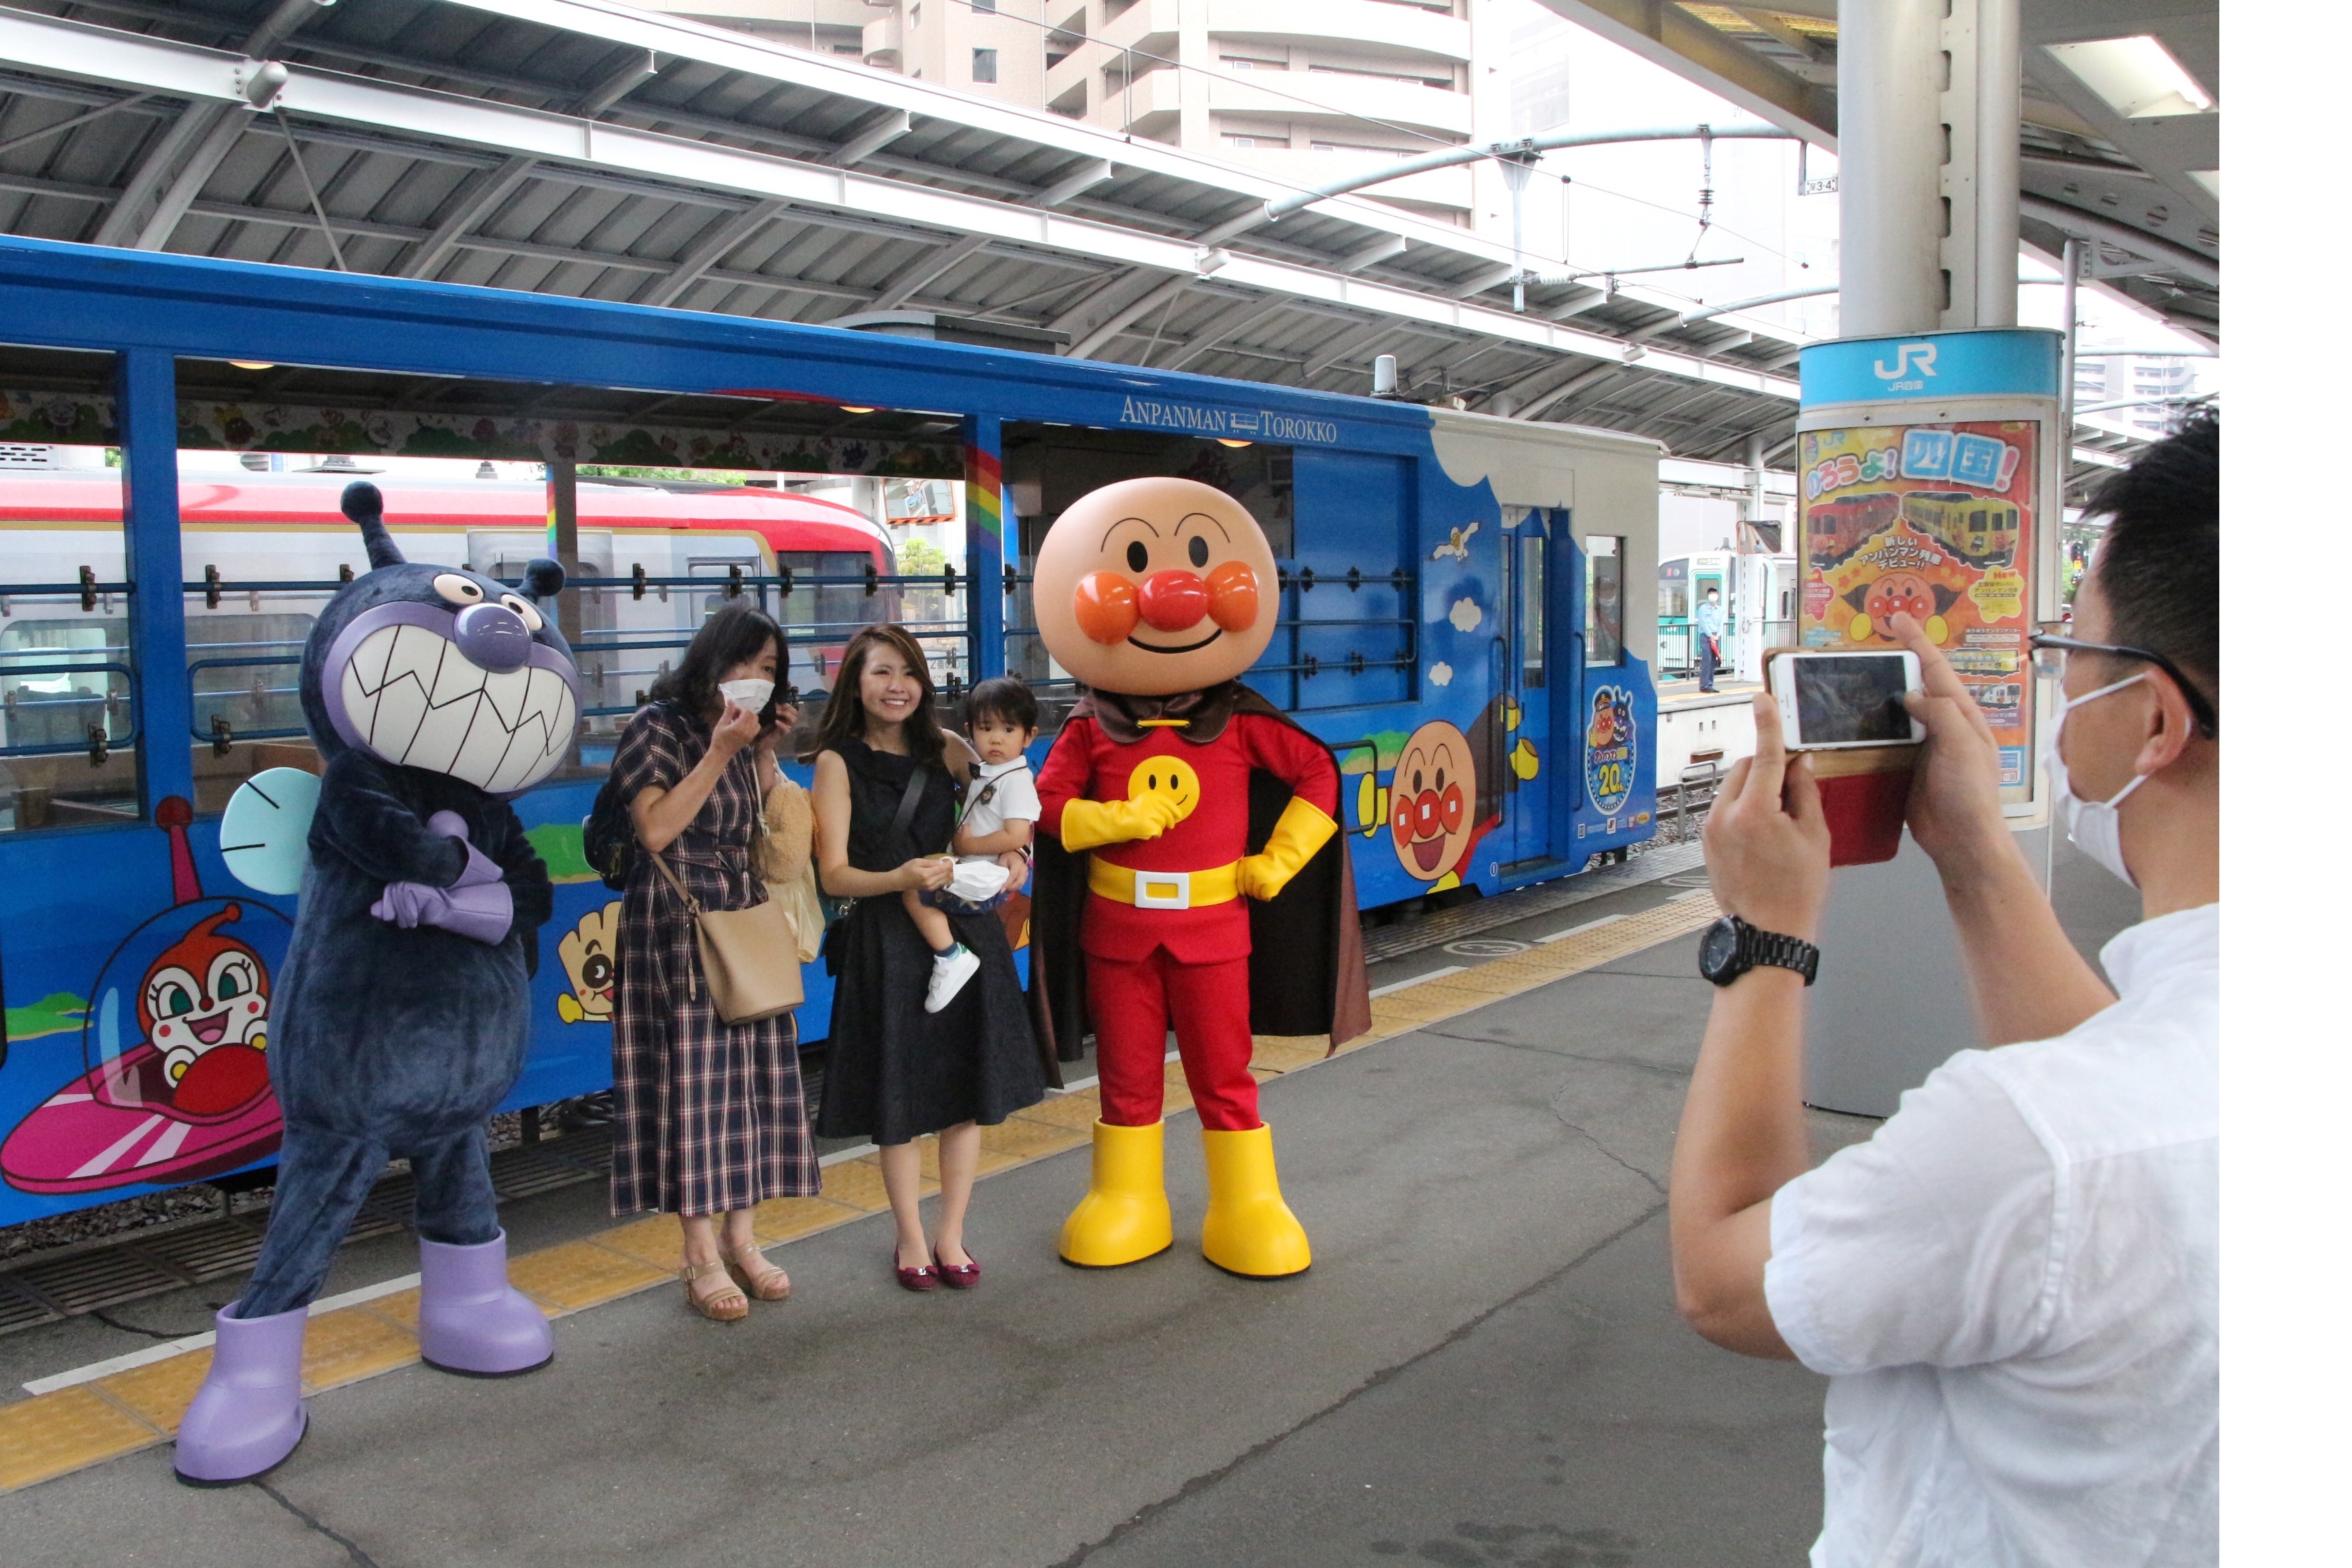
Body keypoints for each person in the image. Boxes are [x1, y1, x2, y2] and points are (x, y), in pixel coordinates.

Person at [1669, 412, 2217, 1565]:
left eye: (2079, 651)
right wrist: (1970, 847)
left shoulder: (2018, 1145)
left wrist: (1765, 937)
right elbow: (2124, 1089)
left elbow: (1723, 1278)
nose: (2061, 677)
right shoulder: (2138, 1092)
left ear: (2157, 719)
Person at [811, 627, 1045, 1291]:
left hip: (966, 934)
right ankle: (910, 1237)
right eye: (881, 673)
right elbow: (834, 877)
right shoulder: (837, 762)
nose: (897, 686)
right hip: (890, 943)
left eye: (908, 672)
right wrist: (902, 877)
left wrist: (1016, 858)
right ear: (856, 682)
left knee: (964, 1095)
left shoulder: (948, 749)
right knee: (899, 1099)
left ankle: (951, 1235)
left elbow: (1007, 808)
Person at [610, 602, 819, 1324]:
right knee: (691, 1084)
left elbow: (765, 834)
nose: (754, 679)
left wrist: (763, 753)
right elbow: (658, 828)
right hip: (678, 916)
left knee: (753, 1080)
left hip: (743, 908)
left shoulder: (743, 737)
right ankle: (699, 1253)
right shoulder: (655, 727)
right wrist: (725, 750)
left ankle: (743, 1238)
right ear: (711, 659)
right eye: (745, 664)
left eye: (769, 671)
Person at [898, 676, 1041, 1014]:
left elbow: (1018, 835)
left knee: (913, 889)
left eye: (1008, 730)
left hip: (986, 877)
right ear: (970, 732)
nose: (995, 738)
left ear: (1029, 736)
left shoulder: (1016, 780)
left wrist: (970, 845)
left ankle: (950, 957)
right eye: (986, 728)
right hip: (978, 870)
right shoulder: (989, 771)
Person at [1694, 585, 1725, 691]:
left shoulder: (1720, 610)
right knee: (1706, 661)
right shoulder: (1703, 609)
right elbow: (1703, 623)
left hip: (1716, 637)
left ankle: (1710, 684)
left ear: (1718, 595)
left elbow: (1721, 624)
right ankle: (1704, 686)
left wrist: (1717, 636)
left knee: (1713, 661)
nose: (1713, 596)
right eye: (1711, 594)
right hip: (1705, 637)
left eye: (1715, 594)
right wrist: (1710, 636)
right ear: (1708, 596)